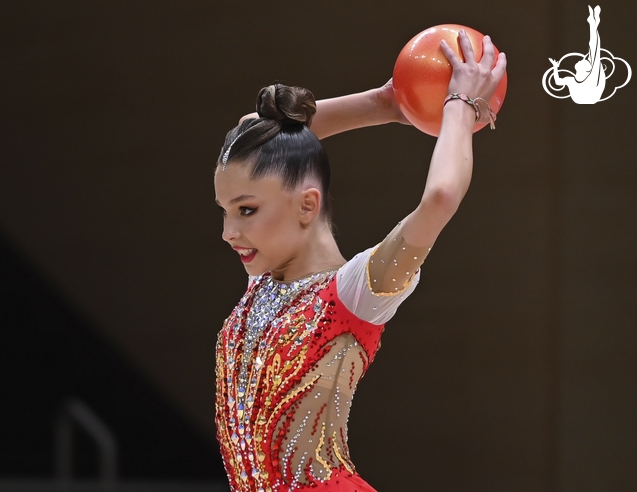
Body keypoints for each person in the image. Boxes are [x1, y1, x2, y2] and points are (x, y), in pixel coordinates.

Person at [213, 30, 507, 492]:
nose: (230, 232)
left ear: (307, 205)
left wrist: (459, 104)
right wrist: (387, 103)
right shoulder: (264, 281)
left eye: (246, 210)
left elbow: (441, 196)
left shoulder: (355, 292)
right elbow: (255, 129)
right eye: (225, 212)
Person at [549, 5, 604, 104]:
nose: (582, 59)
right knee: (594, 51)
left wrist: (555, 68)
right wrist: (555, 67)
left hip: (589, 96)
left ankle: (593, 24)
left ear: (586, 69)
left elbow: (594, 49)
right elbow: (557, 82)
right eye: (584, 60)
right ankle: (593, 24)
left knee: (594, 50)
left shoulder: (590, 78)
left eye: (584, 61)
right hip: (586, 97)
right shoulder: (572, 80)